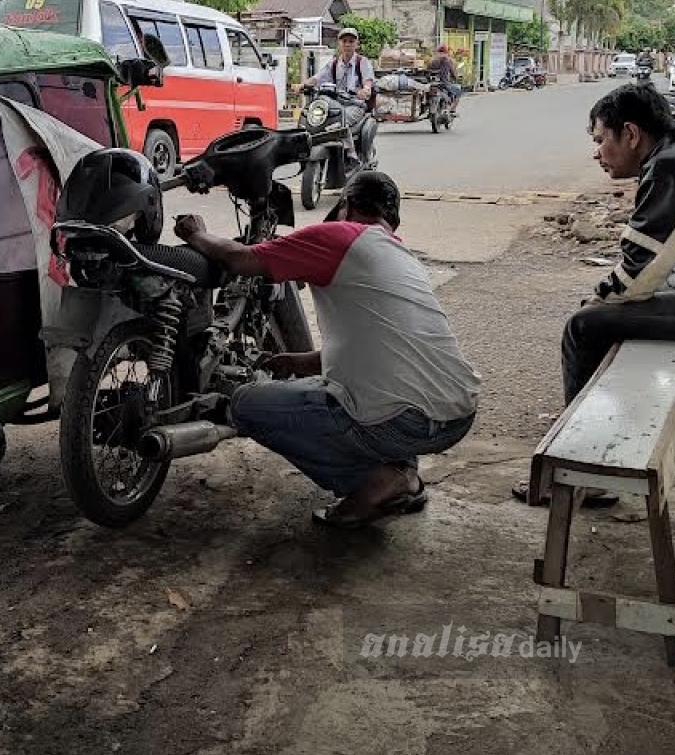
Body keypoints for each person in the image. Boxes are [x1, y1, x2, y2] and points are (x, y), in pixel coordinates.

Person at [173, 172, 481, 528]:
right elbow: (381, 347)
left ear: (346, 206)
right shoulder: (402, 256)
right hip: (456, 416)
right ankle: (403, 474)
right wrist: (300, 362)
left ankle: (374, 483)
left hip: (402, 423)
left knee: (246, 403)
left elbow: (240, 259)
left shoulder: (341, 236)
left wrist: (196, 233)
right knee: (387, 394)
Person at [513, 83, 675, 505]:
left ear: (631, 134)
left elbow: (637, 276)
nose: (597, 153)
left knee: (584, 327)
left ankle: (583, 472)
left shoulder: (671, 168)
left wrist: (598, 300)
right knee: (620, 311)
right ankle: (615, 439)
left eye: (601, 140)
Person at [301, 26, 375, 169]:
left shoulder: (362, 62)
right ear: (339, 44)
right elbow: (317, 78)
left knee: (339, 118)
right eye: (344, 41)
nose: (347, 44)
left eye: (351, 41)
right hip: (335, 103)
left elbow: (368, 80)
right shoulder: (334, 63)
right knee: (314, 118)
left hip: (355, 105)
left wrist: (365, 90)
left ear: (356, 44)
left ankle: (351, 153)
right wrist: (302, 85)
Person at [427, 44, 462, 111]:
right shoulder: (448, 60)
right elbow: (453, 73)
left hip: (431, 83)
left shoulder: (431, 60)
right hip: (444, 84)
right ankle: (452, 109)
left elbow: (427, 70)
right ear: (446, 52)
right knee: (459, 91)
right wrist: (456, 78)